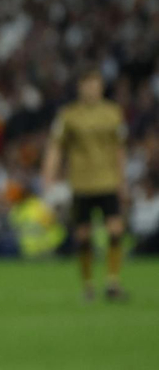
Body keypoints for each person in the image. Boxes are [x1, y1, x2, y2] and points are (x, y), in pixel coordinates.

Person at [42, 70, 130, 301]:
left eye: (96, 84)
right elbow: (56, 147)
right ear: (80, 86)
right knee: (83, 236)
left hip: (107, 181)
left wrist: (122, 180)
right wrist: (48, 175)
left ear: (101, 86)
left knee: (115, 230)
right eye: (88, 84)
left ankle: (112, 281)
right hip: (81, 183)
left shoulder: (113, 113)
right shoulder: (68, 115)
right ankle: (88, 284)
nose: (92, 88)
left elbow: (119, 149)